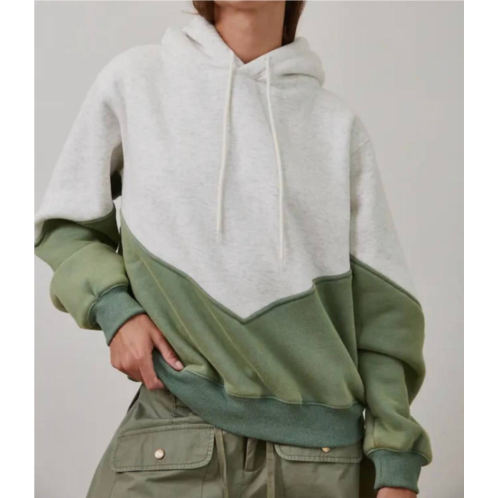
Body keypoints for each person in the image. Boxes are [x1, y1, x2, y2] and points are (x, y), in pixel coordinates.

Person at [34, 1, 432, 497]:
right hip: (176, 426)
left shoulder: (337, 127)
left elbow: (384, 317)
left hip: (320, 459)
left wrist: (396, 463)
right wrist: (115, 310)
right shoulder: (137, 81)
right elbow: (66, 222)